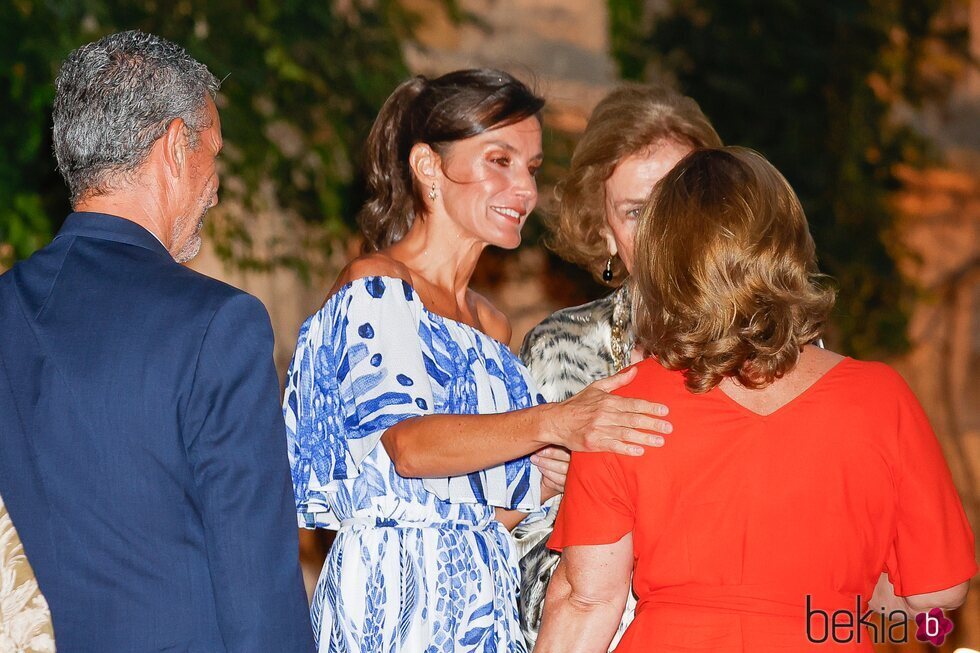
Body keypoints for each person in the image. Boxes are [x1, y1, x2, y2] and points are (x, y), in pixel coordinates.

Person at [282, 69, 672, 652]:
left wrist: (546, 473)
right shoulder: (378, 284)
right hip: (396, 600)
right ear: (429, 167)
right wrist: (554, 422)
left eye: (533, 169)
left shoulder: (492, 324)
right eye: (500, 160)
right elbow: (409, 449)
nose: (525, 190)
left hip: (480, 601)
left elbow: (479, 513)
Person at [537, 147, 977, 652]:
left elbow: (587, 599)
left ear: (664, 267)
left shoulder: (621, 402)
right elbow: (937, 597)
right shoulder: (881, 399)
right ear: (791, 249)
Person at [0, 31, 313, 651]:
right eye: (213, 155)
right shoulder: (218, 324)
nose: (215, 186)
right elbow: (258, 588)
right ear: (176, 145)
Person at [515, 83, 722, 649]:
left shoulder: (779, 346)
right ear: (604, 230)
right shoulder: (557, 349)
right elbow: (524, 554)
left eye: (678, 203)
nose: (662, 232)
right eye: (635, 212)